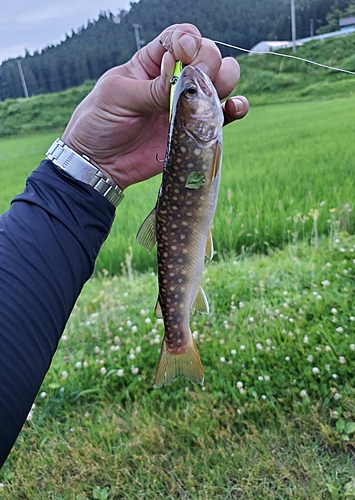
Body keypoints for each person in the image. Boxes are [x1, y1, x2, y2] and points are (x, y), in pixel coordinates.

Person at [0, 23, 249, 467]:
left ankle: (179, 338)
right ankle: (179, 343)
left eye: (187, 97)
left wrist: (86, 165)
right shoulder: (199, 135)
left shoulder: (195, 136)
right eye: (186, 97)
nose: (193, 92)